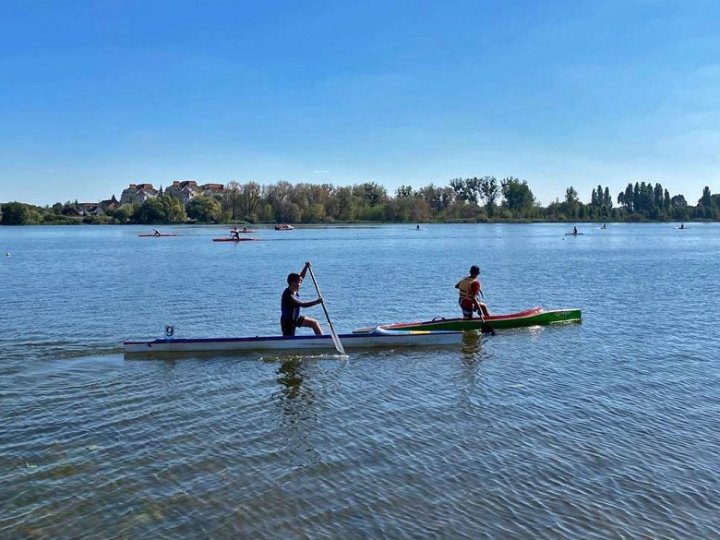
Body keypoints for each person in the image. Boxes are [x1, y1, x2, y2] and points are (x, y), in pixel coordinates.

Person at [281, 262, 324, 336]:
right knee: (289, 340)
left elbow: (301, 277)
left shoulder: (294, 289)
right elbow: (302, 304)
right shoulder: (288, 296)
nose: (300, 284)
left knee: (314, 323)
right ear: (293, 283)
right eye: (299, 283)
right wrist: (317, 302)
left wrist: (306, 267)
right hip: (288, 322)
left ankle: (323, 340)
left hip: (296, 318)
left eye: (300, 282)